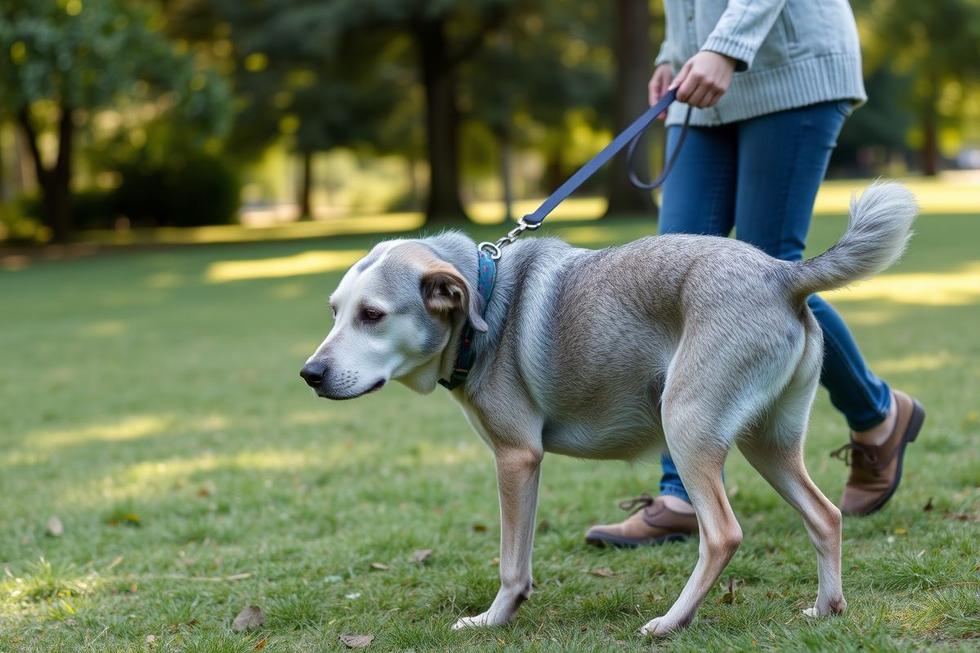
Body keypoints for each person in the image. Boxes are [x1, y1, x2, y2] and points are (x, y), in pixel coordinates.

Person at [585, 0, 926, 547]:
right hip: (701, 86)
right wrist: (675, 51)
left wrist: (725, 47)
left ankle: (877, 414)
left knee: (768, 281)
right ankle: (683, 494)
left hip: (789, 72)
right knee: (667, 280)